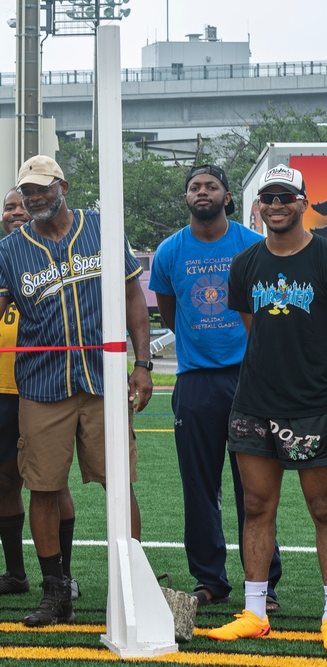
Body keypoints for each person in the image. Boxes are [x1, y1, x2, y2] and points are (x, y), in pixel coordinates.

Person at [0, 155, 153, 627]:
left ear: (62, 186)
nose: (34, 198)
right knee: (43, 488)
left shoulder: (103, 228)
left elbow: (133, 298)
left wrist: (143, 364)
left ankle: (129, 584)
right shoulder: (9, 250)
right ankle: (55, 593)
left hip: (103, 379)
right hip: (44, 384)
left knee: (118, 484)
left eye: (42, 189)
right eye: (27, 192)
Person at [149, 164, 282, 611]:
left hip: (251, 379)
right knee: (199, 486)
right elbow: (169, 314)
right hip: (195, 382)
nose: (201, 192)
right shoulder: (169, 251)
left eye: (210, 186)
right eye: (194, 187)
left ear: (227, 196)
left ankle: (264, 583)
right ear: (186, 198)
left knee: (256, 489)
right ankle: (211, 580)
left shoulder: (252, 244)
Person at [208, 164, 327, 647]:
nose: (276, 206)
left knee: (323, 509)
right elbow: (254, 328)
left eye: (285, 197)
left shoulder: (323, 256)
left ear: (302, 202)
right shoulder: (246, 263)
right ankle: (255, 611)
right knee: (256, 506)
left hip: (316, 402)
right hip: (255, 403)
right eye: (268, 199)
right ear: (257, 206)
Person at [0, 188, 79, 601]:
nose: (15, 213)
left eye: (22, 205)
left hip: (47, 384)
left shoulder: (56, 258)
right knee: (6, 480)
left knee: (52, 484)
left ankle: (63, 577)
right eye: (8, 207)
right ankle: (16, 573)